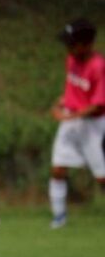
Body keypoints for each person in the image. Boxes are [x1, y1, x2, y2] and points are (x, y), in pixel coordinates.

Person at [47, 17, 105, 229]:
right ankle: (59, 217)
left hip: (94, 126)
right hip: (72, 121)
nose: (69, 48)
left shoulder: (98, 66)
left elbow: (97, 105)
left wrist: (67, 117)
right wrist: (60, 104)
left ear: (87, 44)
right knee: (58, 169)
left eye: (72, 44)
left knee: (102, 178)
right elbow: (74, 91)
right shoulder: (71, 60)